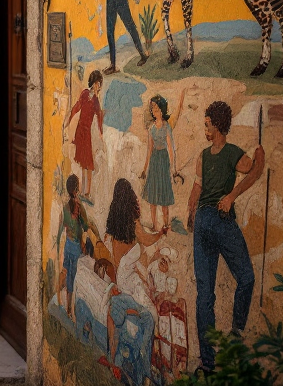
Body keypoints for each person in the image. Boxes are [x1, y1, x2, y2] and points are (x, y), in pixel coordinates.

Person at [187, 100, 265, 377]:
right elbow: (253, 172)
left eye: (207, 124)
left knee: (205, 296)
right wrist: (260, 159)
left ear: (217, 125)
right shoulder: (220, 154)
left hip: (208, 222)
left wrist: (192, 214)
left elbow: (196, 193)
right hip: (216, 220)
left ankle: (207, 364)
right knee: (245, 278)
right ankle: (235, 335)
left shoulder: (216, 154)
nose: (204, 128)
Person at [105, 178, 165, 384]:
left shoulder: (114, 226)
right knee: (153, 315)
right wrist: (161, 233)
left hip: (122, 281)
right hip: (131, 283)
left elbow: (117, 261)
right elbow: (147, 240)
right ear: (130, 198)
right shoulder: (133, 223)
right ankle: (146, 362)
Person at [56, 173, 98, 319]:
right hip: (76, 248)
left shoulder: (65, 207)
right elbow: (86, 225)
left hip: (68, 244)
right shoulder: (79, 207)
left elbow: (61, 228)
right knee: (75, 278)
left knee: (67, 272)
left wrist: (57, 246)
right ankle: (73, 309)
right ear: (76, 189)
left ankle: (66, 306)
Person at [139, 94, 181, 231]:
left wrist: (174, 169)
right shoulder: (151, 128)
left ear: (162, 110)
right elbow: (149, 150)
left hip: (163, 161)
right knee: (152, 196)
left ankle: (166, 224)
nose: (154, 112)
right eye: (153, 109)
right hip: (154, 161)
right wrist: (145, 169)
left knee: (163, 194)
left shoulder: (166, 127)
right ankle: (154, 225)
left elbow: (171, 149)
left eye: (156, 109)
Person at [68, 69, 105, 202]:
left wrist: (101, 132)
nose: (99, 86)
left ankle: (87, 192)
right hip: (80, 131)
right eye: (99, 83)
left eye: (100, 84)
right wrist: (68, 120)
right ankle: (84, 192)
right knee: (84, 163)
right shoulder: (85, 94)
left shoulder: (95, 100)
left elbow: (99, 116)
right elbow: (76, 107)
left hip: (87, 133)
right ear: (94, 83)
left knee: (88, 163)